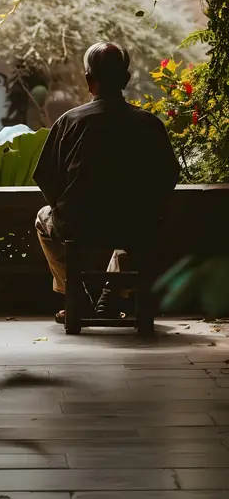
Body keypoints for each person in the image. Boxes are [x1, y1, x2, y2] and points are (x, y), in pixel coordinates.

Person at [33, 42, 180, 324]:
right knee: (135, 236)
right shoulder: (149, 125)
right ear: (125, 80)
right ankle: (111, 296)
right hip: (137, 224)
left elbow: (47, 178)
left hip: (79, 224)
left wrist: (69, 206)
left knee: (44, 218)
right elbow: (168, 177)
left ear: (89, 80)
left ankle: (79, 297)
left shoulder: (70, 122)